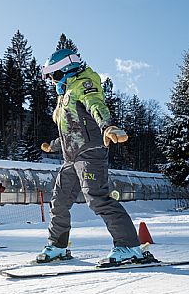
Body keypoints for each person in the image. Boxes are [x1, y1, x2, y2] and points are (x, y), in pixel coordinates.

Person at [38, 48, 151, 266]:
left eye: (55, 76)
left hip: (90, 152)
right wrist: (53, 147)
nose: (52, 81)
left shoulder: (84, 84)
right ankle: (58, 246)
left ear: (67, 71)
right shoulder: (64, 96)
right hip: (71, 158)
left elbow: (96, 105)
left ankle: (129, 247)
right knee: (59, 202)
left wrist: (107, 127)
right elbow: (70, 131)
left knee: (97, 198)